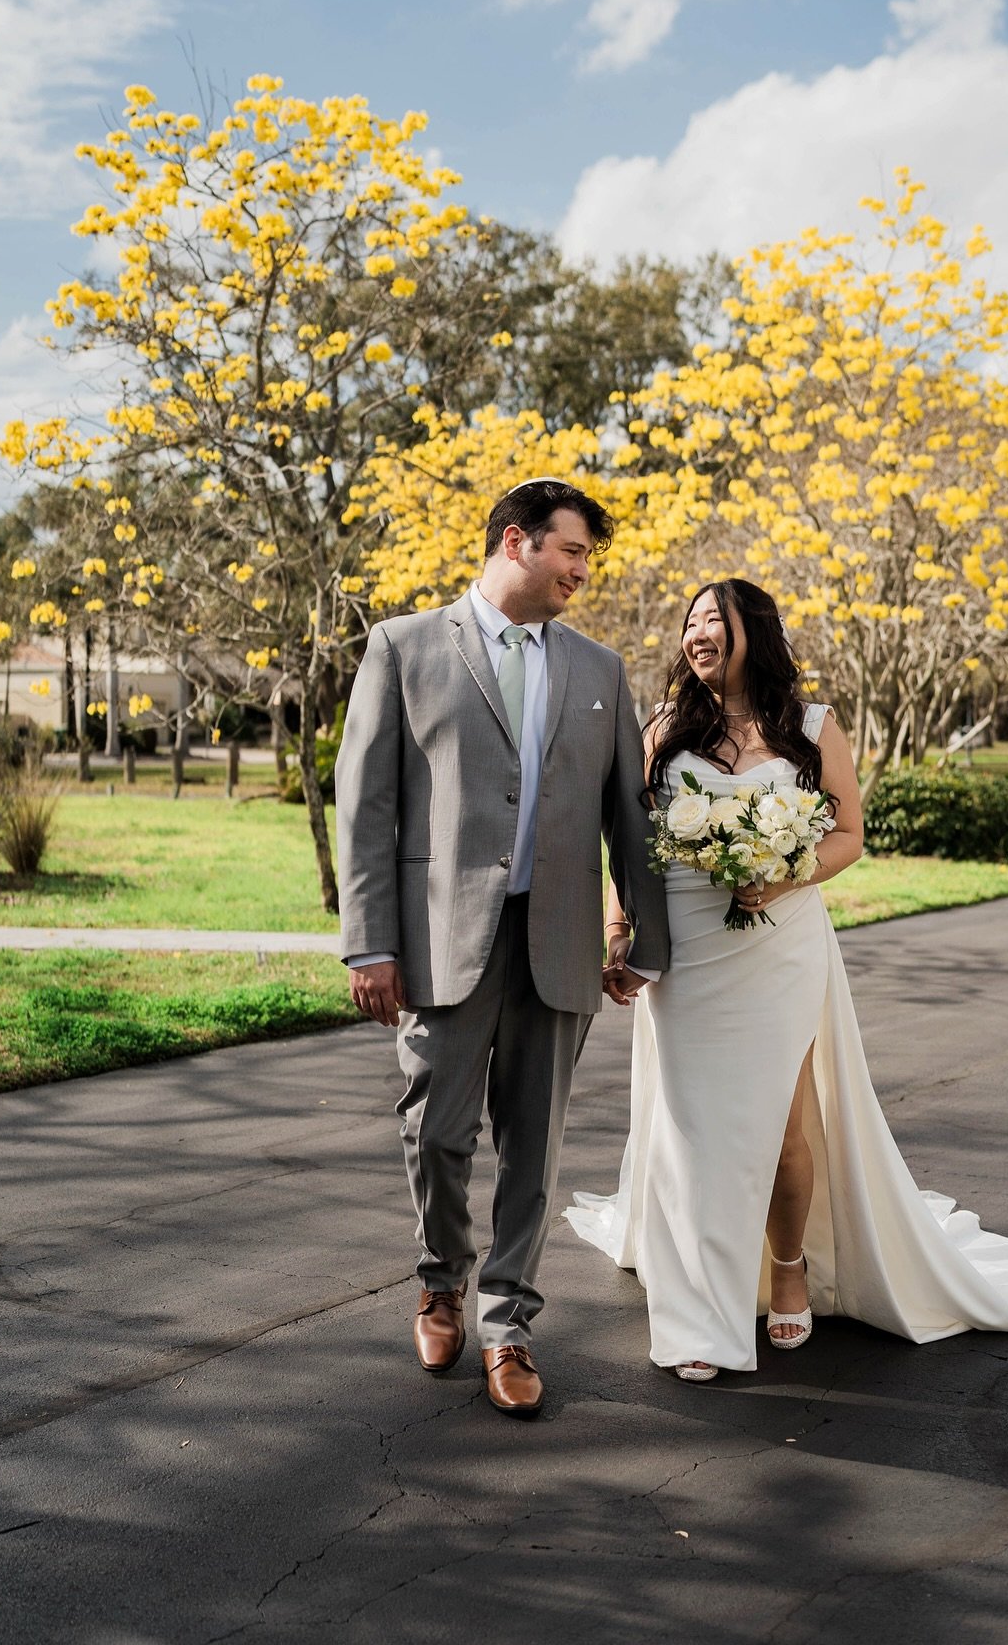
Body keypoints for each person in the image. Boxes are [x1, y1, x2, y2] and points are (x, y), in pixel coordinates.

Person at [567, 577, 1008, 1379]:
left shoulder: (811, 726)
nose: (697, 635)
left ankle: (789, 1266)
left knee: (785, 1130)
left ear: (754, 632)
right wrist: (620, 931)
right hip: (687, 954)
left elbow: (849, 833)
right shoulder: (663, 728)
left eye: (714, 621)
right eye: (690, 622)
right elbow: (632, 844)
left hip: (779, 948)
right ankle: (697, 1315)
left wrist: (784, 875)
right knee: (692, 1135)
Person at [336, 480, 669, 1417]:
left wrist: (642, 935)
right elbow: (366, 807)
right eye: (573, 551)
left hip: (557, 944)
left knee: (535, 1149)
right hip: (442, 943)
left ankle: (509, 1324)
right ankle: (440, 1279)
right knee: (436, 1133)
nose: (583, 571)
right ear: (516, 542)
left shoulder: (599, 669)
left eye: (588, 557)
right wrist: (369, 943)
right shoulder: (402, 647)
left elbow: (628, 817)